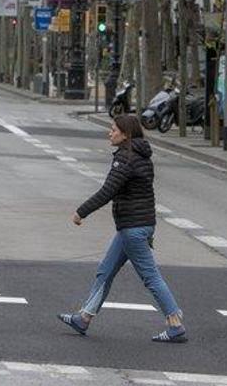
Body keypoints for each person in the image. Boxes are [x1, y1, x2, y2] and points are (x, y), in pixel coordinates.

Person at [58, 114, 187, 343]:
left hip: (133, 229)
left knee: (151, 277)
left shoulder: (125, 159)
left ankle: (175, 323)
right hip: (138, 225)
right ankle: (84, 318)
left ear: (125, 134)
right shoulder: (141, 156)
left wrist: (81, 212)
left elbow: (108, 191)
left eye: (113, 129)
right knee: (105, 272)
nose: (110, 132)